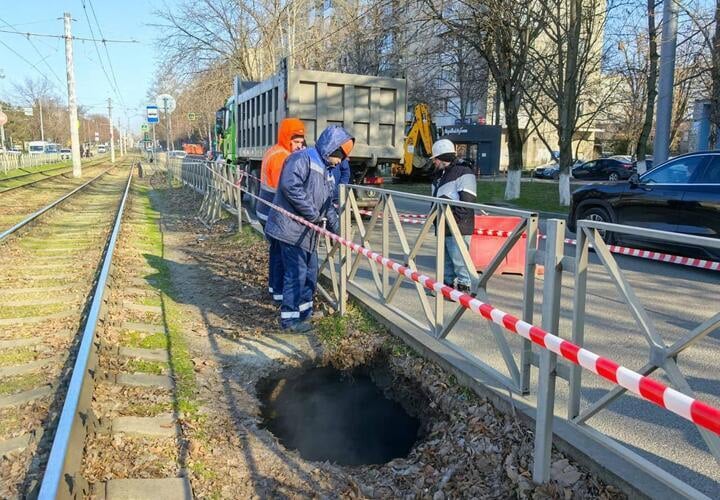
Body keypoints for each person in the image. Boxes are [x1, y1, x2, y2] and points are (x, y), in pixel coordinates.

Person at [264, 125, 354, 332]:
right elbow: (290, 186)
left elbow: (328, 204)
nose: (341, 162)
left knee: (310, 273)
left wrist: (339, 232)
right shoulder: (303, 158)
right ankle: (289, 320)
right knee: (295, 274)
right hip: (290, 230)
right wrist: (313, 214)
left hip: (306, 233)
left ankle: (305, 313)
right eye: (340, 156)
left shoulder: (328, 172)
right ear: (331, 150)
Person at [256, 118, 305, 303]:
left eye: (302, 142)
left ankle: (274, 290)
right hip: (272, 213)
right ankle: (279, 294)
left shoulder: (276, 150)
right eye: (297, 142)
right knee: (281, 255)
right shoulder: (281, 157)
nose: (300, 146)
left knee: (276, 253)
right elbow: (285, 190)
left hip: (267, 210)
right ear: (287, 138)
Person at [430, 139, 477, 293]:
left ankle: (465, 291)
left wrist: (453, 223)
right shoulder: (439, 175)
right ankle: (446, 289)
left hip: (458, 226)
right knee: (445, 262)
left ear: (443, 157)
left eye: (435, 159)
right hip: (443, 225)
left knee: (460, 263)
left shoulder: (464, 172)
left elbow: (468, 202)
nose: (434, 162)